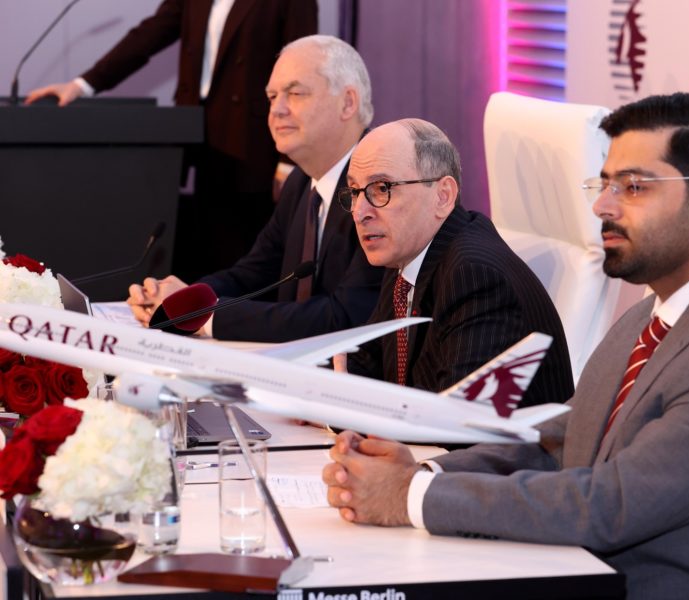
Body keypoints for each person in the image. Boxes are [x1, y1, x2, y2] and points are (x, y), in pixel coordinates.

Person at [323, 93, 689, 599]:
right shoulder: (646, 317)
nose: (602, 206)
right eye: (605, 184)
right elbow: (561, 438)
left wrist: (411, 496)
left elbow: (609, 504)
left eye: (632, 187)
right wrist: (423, 471)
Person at [25, 0, 318, 280]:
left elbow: (301, 68)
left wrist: (288, 160)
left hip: (253, 145)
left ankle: (243, 312)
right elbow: (149, 35)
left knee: (245, 252)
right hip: (196, 137)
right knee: (202, 251)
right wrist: (83, 85)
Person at [127, 35, 383, 343]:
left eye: (295, 93)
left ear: (348, 102)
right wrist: (180, 302)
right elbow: (251, 275)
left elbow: (345, 318)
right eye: (272, 97)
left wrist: (205, 317)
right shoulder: (299, 183)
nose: (277, 110)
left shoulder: (380, 189)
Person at [337, 118, 573, 403]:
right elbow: (367, 363)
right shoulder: (405, 255)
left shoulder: (476, 276)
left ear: (443, 196)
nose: (359, 212)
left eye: (382, 189)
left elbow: (455, 417)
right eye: (355, 192)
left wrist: (342, 405)